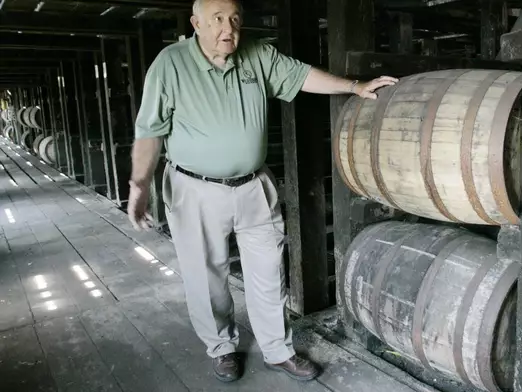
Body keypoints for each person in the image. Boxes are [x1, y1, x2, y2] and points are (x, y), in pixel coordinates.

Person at [127, 0, 398, 384]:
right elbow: (150, 131)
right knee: (206, 277)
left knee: (270, 271)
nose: (229, 28)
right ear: (196, 23)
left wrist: (355, 87)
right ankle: (222, 348)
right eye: (218, 19)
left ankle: (277, 349)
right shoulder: (169, 64)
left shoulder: (256, 54)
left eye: (235, 19)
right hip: (195, 188)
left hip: (254, 184)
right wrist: (139, 185)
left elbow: (303, 76)